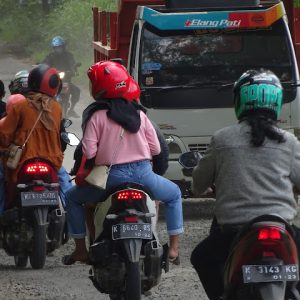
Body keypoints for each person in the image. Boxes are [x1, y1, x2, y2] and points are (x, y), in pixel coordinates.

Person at [190, 69, 300, 300]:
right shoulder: (288, 141)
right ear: (276, 102)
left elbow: (198, 185)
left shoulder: (222, 138)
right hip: (281, 228)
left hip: (233, 231)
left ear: (239, 101)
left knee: (201, 257)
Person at [62, 60, 183, 265]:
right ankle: (172, 249)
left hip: (110, 178)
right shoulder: (140, 114)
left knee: (72, 198)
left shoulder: (95, 116)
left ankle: (81, 250)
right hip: (143, 176)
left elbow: (89, 151)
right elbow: (155, 149)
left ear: (99, 88)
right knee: (174, 195)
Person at [0, 64, 64, 210]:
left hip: (22, 161)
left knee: (2, 181)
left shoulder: (20, 106)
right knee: (64, 185)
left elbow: (4, 134)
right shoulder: (56, 108)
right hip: (51, 161)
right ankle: (65, 213)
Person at [43, 36, 80, 118]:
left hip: (66, 80)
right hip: (53, 81)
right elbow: (45, 64)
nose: (59, 49)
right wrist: (43, 68)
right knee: (43, 93)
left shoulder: (69, 55)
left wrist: (73, 70)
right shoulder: (50, 56)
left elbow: (72, 64)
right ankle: (44, 110)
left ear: (63, 47)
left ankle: (71, 110)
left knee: (77, 91)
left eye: (60, 47)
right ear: (54, 48)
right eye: (57, 48)